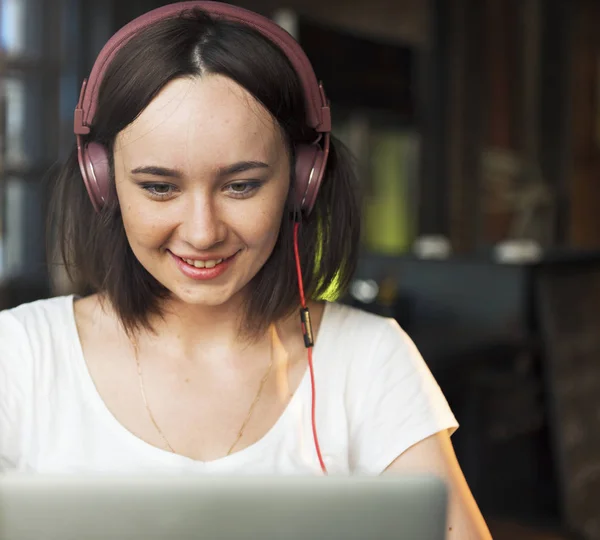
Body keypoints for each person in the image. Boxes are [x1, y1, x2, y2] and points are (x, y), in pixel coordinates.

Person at [0, 2, 491, 538]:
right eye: (159, 187)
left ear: (304, 182)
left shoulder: (369, 360)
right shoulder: (19, 358)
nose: (203, 231)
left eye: (241, 185)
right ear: (103, 183)